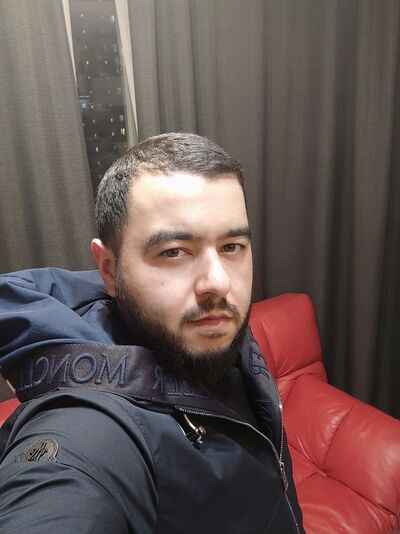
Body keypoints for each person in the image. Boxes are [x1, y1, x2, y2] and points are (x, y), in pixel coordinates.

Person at [0, 133, 304, 533]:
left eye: (231, 246)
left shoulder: (201, 324)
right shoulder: (89, 430)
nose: (218, 282)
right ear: (109, 270)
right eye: (174, 251)